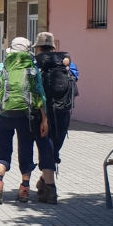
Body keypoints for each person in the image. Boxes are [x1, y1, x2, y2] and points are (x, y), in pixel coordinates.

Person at [0, 35, 57, 203]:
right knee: (26, 151)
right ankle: (24, 189)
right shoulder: (32, 68)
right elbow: (40, 95)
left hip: (2, 115)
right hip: (27, 117)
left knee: (3, 152)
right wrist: (44, 119)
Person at [34, 31, 79, 174]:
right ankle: (48, 177)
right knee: (56, 144)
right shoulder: (68, 65)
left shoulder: (35, 65)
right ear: (52, 48)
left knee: (45, 145)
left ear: (38, 48)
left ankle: (47, 182)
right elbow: (75, 78)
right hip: (63, 110)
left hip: (42, 112)